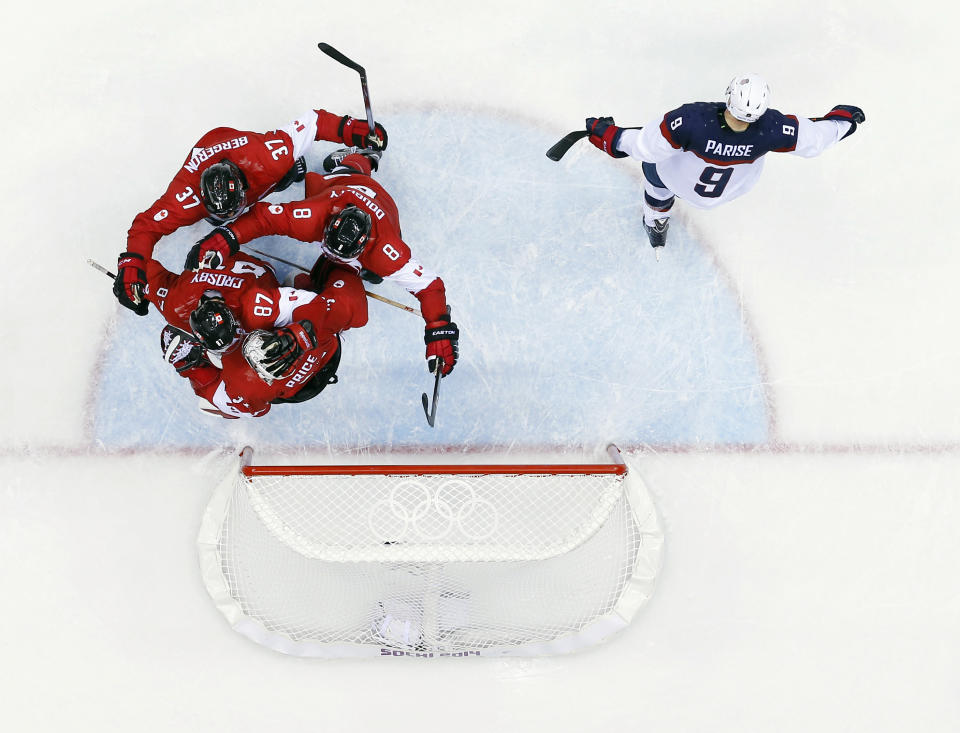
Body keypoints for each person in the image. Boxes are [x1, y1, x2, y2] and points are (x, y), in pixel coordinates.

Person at [189, 147, 460, 378]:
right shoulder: (315, 214)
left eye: (340, 254)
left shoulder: (388, 250)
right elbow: (265, 218)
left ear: (366, 246)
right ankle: (359, 158)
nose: (329, 253)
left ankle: (362, 159)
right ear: (330, 222)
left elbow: (430, 286)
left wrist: (438, 330)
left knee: (367, 270)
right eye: (328, 246)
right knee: (346, 173)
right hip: (341, 186)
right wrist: (226, 238)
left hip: (383, 210)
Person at [113, 108, 388, 316]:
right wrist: (132, 266)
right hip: (217, 153)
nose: (230, 216)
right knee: (268, 185)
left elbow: (313, 122)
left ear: (244, 185)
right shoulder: (184, 197)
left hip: (251, 158)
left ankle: (329, 165)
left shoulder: (268, 156)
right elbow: (145, 227)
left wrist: (351, 128)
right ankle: (292, 177)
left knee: (284, 171)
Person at [584, 73, 865, 249]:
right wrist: (844, 121)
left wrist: (609, 135)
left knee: (654, 172)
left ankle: (656, 221)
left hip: (676, 180)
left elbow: (646, 148)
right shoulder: (773, 129)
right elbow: (815, 139)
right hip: (726, 193)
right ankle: (657, 218)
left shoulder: (690, 120)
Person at [148, 252, 369, 418]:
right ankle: (353, 263)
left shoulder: (239, 379)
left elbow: (259, 411)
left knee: (211, 399)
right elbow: (319, 305)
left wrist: (189, 367)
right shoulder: (257, 306)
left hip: (297, 391)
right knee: (303, 285)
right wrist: (298, 335)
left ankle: (192, 363)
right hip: (329, 354)